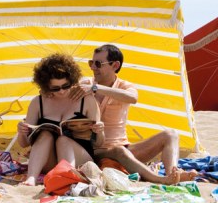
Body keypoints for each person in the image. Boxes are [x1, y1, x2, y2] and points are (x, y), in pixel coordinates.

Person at [70, 43, 198, 184]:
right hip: (95, 151)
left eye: (98, 64)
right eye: (91, 63)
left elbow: (133, 98)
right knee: (119, 151)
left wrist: (96, 88)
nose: (93, 68)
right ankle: (159, 179)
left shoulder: (123, 86)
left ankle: (173, 173)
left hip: (125, 149)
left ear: (115, 65)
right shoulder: (86, 84)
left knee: (171, 134)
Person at [17, 54, 104, 186]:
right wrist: (22, 131)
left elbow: (98, 144)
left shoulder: (86, 100)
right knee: (45, 135)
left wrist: (100, 131)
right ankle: (31, 179)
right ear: (46, 86)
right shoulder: (38, 102)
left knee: (63, 140)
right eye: (55, 88)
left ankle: (67, 177)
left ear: (72, 80)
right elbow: (24, 144)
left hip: (80, 159)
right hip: (50, 161)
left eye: (66, 86)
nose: (62, 91)